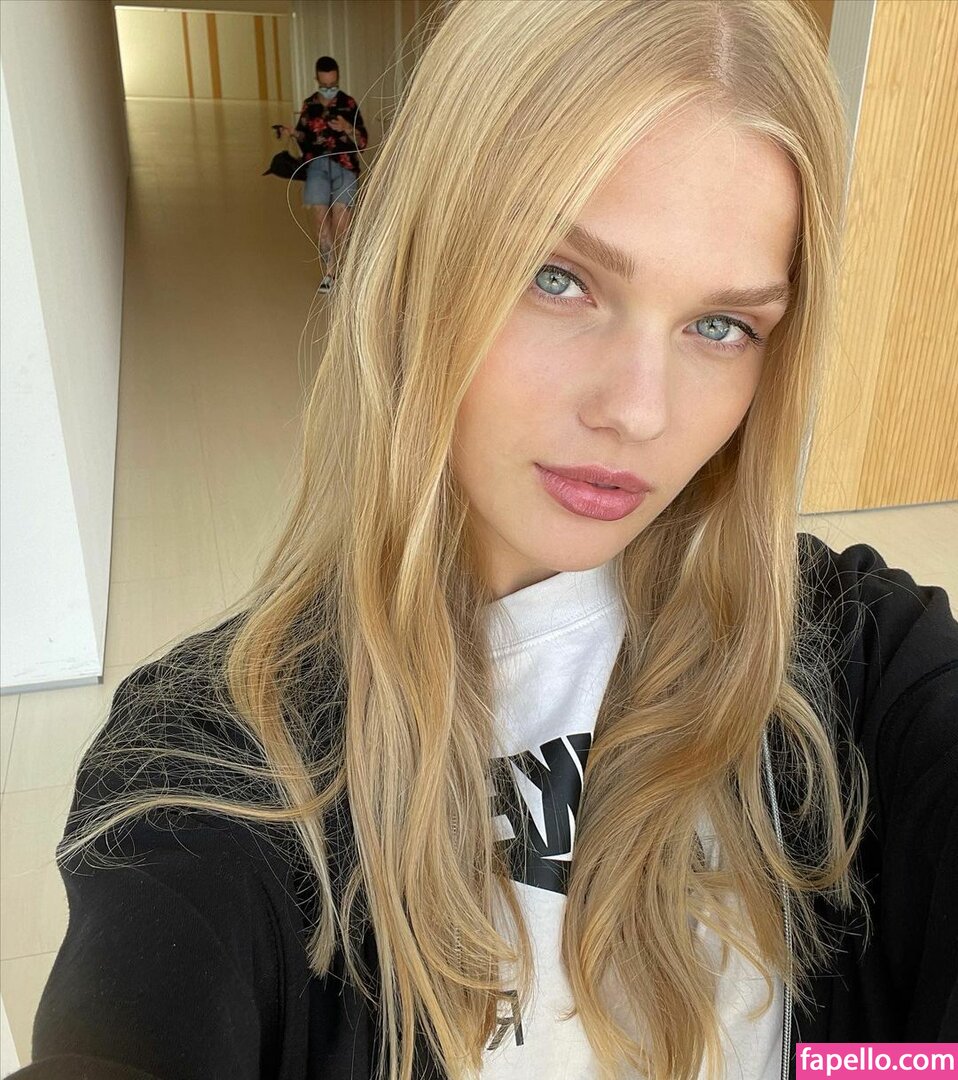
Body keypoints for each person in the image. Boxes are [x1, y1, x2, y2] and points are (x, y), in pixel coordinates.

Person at [16, 2, 957, 1079]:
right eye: (559, 277)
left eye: (720, 325)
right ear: (420, 263)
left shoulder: (849, 653)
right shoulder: (218, 764)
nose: (638, 411)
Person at [281, 55, 368, 292]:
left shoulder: (348, 104)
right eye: (324, 85)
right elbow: (304, 136)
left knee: (342, 220)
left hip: (344, 165)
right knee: (320, 219)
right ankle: (329, 272)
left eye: (333, 84)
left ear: (338, 79)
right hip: (317, 166)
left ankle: (350, 270)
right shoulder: (310, 105)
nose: (329, 89)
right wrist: (292, 133)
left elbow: (362, 141)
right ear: (317, 80)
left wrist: (347, 128)